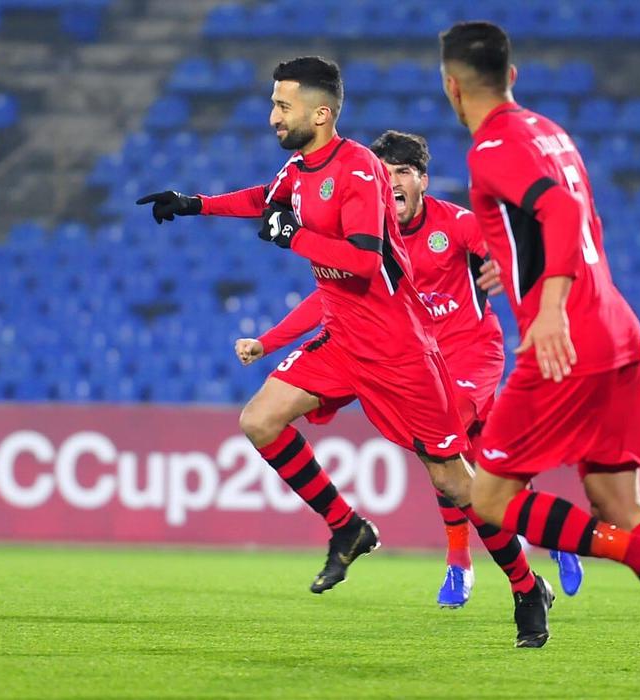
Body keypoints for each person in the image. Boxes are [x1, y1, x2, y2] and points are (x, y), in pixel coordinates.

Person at [137, 56, 552, 648]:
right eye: (275, 104)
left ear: (321, 112)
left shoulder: (359, 171)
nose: (274, 115)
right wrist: (195, 203)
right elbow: (265, 199)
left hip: (398, 349)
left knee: (458, 486)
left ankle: (523, 585)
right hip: (341, 342)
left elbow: (364, 261)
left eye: (284, 106)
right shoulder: (297, 169)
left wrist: (293, 237)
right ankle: (348, 526)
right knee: (259, 420)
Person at [438, 21, 640, 695]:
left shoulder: (489, 147)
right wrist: (512, 272)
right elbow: (574, 221)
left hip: (564, 340)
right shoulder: (550, 131)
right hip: (616, 328)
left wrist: (546, 307)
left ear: (451, 86)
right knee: (614, 499)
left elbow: (554, 215)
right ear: (512, 76)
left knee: (488, 497)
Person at [235, 129, 584, 609]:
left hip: (468, 353)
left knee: (447, 459)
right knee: (482, 467)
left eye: (403, 172)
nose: (392, 180)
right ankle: (549, 535)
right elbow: (329, 298)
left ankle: (462, 564)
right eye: (385, 172)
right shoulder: (368, 233)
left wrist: (505, 264)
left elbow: (498, 244)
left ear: (422, 180)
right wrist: (269, 342)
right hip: (410, 356)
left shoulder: (452, 222)